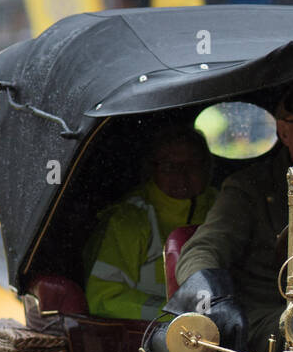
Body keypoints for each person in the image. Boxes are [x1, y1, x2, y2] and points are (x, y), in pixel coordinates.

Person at [172, 89, 293, 352]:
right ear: (284, 132)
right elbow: (203, 250)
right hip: (270, 312)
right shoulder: (250, 188)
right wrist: (211, 300)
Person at [83, 125, 216, 319]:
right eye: (169, 166)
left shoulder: (225, 210)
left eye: (193, 164)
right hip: (148, 339)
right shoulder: (129, 220)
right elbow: (103, 298)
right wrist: (174, 314)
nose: (181, 175)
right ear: (151, 170)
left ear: (207, 168)